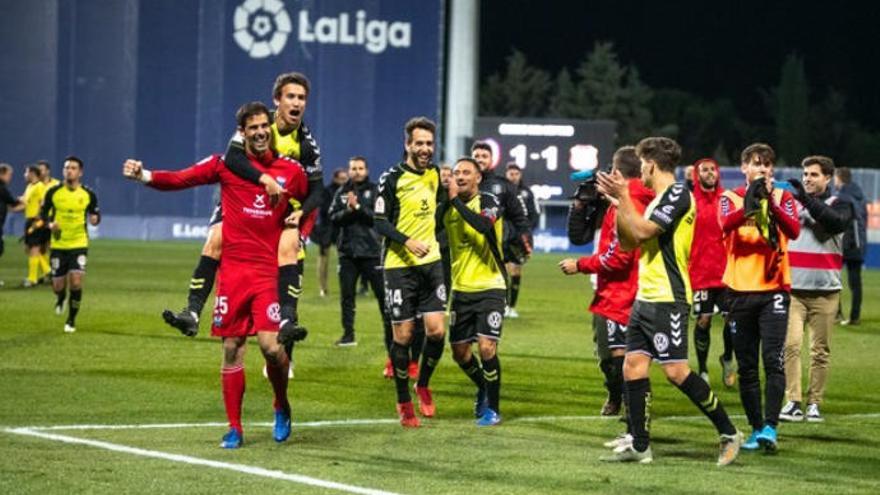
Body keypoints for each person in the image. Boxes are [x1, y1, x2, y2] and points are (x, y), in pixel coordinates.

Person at [123, 101, 309, 449]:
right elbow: (180, 178)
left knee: (271, 348)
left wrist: (301, 225)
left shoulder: (291, 170)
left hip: (268, 273)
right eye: (251, 128)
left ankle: (281, 405)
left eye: (262, 126)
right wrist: (145, 176)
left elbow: (311, 201)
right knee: (231, 348)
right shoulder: (225, 166)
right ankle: (235, 428)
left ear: (270, 127)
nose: (258, 132)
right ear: (242, 133)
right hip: (234, 274)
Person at [596, 137, 742, 466]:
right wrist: (620, 204)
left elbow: (645, 232)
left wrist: (624, 200)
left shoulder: (677, 194)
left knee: (676, 372)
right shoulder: (657, 199)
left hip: (668, 299)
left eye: (641, 163)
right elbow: (629, 241)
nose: (638, 171)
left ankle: (729, 432)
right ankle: (641, 446)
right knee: (632, 367)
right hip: (645, 298)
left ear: (651, 163)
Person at [163, 72, 319, 350]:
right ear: (277, 101)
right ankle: (192, 311)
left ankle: (286, 333)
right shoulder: (257, 123)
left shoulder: (306, 144)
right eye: (291, 96)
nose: (296, 103)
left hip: (281, 208)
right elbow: (233, 157)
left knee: (290, 258)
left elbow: (318, 191)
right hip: (241, 199)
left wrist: (301, 216)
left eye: (302, 98)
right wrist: (263, 180)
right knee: (215, 240)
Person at [559, 146, 654, 419]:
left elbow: (618, 255)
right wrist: (580, 207)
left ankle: (628, 404)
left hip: (617, 287)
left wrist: (579, 265)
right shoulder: (629, 199)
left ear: (615, 172)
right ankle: (627, 401)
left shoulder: (627, 202)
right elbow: (578, 236)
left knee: (614, 353)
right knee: (632, 354)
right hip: (634, 285)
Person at [719, 143, 800, 452]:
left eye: (767, 165)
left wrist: (771, 204)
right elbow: (724, 225)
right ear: (744, 168)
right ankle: (755, 429)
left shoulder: (784, 197)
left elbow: (792, 230)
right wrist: (750, 204)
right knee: (748, 365)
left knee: (773, 361)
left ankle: (770, 427)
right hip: (739, 291)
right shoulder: (730, 199)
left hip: (774, 291)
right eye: (756, 164)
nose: (763, 169)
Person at [374, 116, 447, 427]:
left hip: (431, 264)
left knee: (437, 331)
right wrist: (407, 241)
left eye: (429, 143)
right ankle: (404, 401)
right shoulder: (391, 179)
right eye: (419, 143)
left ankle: (423, 384)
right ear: (407, 144)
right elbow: (379, 221)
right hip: (399, 266)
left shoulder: (434, 175)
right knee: (403, 335)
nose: (425, 149)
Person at [780, 156, 852, 423]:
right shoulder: (791, 205)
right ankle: (794, 401)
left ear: (828, 178)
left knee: (820, 351)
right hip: (794, 290)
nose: (807, 179)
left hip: (826, 292)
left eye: (813, 175)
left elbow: (834, 223)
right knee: (791, 346)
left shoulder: (841, 204)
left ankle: (814, 403)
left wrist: (805, 201)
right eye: (805, 174)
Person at [439, 157, 507, 426]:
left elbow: (484, 225)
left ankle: (494, 408)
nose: (461, 176)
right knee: (459, 353)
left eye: (467, 172)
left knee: (487, 347)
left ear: (478, 178)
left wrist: (455, 201)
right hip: (461, 289)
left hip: (491, 286)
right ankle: (483, 386)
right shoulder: (446, 209)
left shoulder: (489, 201)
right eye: (457, 173)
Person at [328, 156, 388, 348]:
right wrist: (348, 211)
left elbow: (378, 218)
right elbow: (333, 216)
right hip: (348, 252)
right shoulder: (342, 191)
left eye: (360, 168)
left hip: (371, 251)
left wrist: (358, 208)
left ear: (367, 170)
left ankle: (391, 335)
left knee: (382, 297)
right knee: (347, 297)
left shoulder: (375, 190)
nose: (356, 171)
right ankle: (348, 335)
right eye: (353, 168)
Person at [688, 159, 736, 387]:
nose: (709, 173)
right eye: (704, 170)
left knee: (732, 320)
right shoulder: (690, 202)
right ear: (696, 176)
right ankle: (703, 369)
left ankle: (727, 357)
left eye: (712, 169)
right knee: (703, 321)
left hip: (726, 273)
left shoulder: (726, 200)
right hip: (699, 273)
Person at [470, 142, 532, 318]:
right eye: (477, 156)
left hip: (495, 251)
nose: (480, 159)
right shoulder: (460, 182)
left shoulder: (503, 186)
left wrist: (526, 240)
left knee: (490, 304)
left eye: (484, 156)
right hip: (466, 252)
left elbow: (520, 217)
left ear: (492, 160)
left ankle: (505, 308)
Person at [40, 156, 101, 333]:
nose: (69, 171)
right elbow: (43, 215)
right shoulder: (53, 192)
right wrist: (50, 224)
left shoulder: (88, 194)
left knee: (76, 282)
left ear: (80, 172)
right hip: (58, 244)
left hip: (79, 243)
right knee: (58, 285)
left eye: (73, 168)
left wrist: (95, 220)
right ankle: (60, 297)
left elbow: (95, 214)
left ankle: (71, 320)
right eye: (66, 168)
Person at [504, 163, 540, 319]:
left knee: (516, 270)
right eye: (511, 173)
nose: (513, 176)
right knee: (503, 271)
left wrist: (526, 232)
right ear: (506, 174)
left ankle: (512, 307)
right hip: (503, 236)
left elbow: (535, 214)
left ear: (520, 175)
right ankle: (504, 305)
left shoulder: (527, 193)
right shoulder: (502, 191)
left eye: (516, 173)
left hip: (520, 238)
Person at [834, 167, 867, 326]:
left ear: (839, 178)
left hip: (844, 243)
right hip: (859, 243)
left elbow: (839, 221)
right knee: (855, 283)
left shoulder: (841, 197)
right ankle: (855, 317)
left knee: (833, 280)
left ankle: (836, 314)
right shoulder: (861, 197)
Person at [316, 168, 349, 297]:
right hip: (327, 229)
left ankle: (345, 287)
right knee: (324, 259)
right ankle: (322, 288)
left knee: (345, 259)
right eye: (341, 178)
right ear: (335, 178)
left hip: (341, 228)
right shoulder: (327, 191)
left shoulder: (349, 191)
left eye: (345, 178)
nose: (344, 181)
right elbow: (324, 211)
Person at [21, 165, 51, 286]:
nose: (24, 175)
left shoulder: (40, 186)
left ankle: (32, 278)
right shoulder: (29, 186)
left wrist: (39, 218)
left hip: (36, 220)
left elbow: (43, 202)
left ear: (32, 173)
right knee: (29, 249)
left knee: (34, 248)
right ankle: (48, 270)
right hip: (29, 219)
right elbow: (25, 202)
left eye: (26, 172)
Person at [36, 160, 58, 277]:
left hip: (53, 218)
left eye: (42, 169)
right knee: (39, 248)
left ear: (48, 171)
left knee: (51, 247)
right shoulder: (35, 184)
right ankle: (47, 272)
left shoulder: (56, 184)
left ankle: (53, 272)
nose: (40, 172)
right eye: (38, 170)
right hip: (39, 219)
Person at [0, 164, 23, 268]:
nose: (10, 178)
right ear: (2, 174)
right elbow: (12, 202)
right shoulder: (1, 187)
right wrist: (23, 201)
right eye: (9, 175)